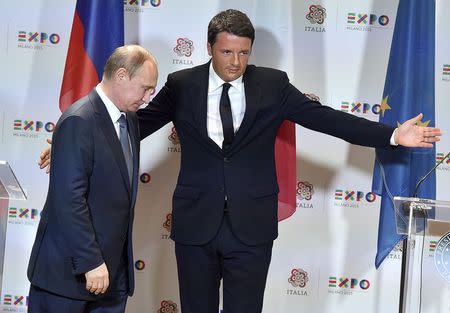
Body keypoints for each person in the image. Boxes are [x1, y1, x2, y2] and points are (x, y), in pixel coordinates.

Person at [39, 9, 441, 313]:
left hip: (251, 228)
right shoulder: (182, 85)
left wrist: (390, 134)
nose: (235, 61)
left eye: (243, 53)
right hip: (196, 225)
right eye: (227, 51)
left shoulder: (273, 85)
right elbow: (134, 124)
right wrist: (71, 144)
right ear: (210, 47)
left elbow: (326, 119)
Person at [28, 45, 158, 313]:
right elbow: (69, 200)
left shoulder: (129, 120)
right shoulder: (79, 120)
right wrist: (90, 262)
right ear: (121, 75)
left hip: (113, 279)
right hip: (70, 279)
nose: (148, 97)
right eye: (145, 88)